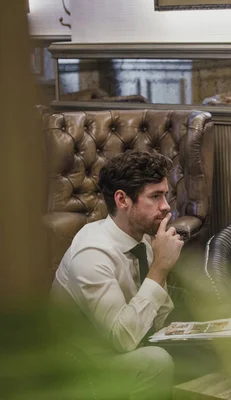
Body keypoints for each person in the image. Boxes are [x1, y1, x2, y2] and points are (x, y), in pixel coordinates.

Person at [51, 150, 184, 400]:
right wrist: (160, 268)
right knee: (156, 361)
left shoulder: (142, 238)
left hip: (126, 344)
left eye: (165, 195)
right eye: (155, 197)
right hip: (82, 364)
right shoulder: (92, 253)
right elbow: (121, 339)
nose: (166, 207)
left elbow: (158, 318)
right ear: (122, 200)